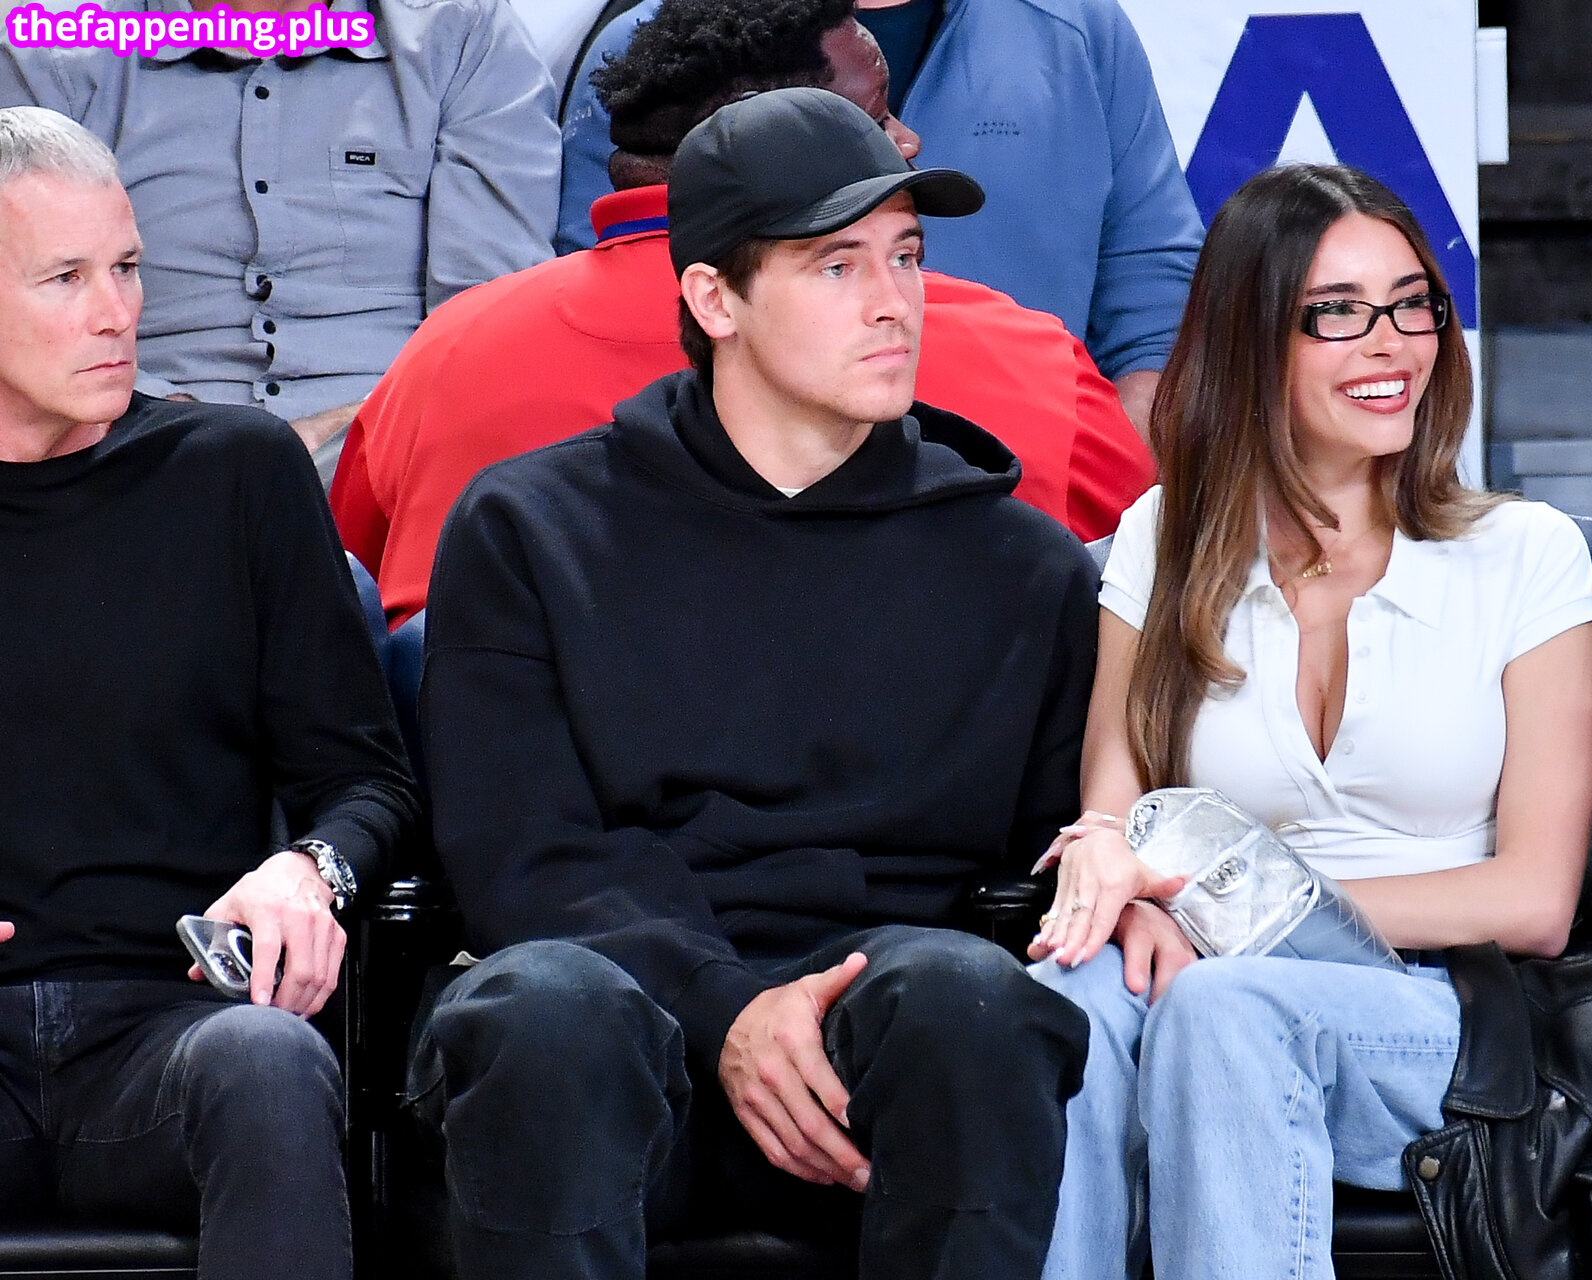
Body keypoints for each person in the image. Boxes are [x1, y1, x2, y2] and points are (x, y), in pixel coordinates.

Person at [406, 87, 1095, 1280]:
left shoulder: (1022, 568)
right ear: (713, 298)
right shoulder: (530, 529)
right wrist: (726, 1007)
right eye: (837, 266)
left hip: (889, 1050)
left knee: (968, 998)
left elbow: (1042, 868)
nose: (895, 303)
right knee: (545, 1008)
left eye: (907, 256)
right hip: (616, 1013)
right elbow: (523, 859)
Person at [1025, 163, 1592, 1280]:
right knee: (1067, 997)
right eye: (1338, 312)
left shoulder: (1527, 554)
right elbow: (1114, 812)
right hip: (1201, 975)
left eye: (1411, 304)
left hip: (1441, 1002)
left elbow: (1536, 900)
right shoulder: (1162, 536)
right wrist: (1119, 887)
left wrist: (1224, 919)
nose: (1391, 344)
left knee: (1227, 1006)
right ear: (1251, 341)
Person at [330, 0, 1154, 625]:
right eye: (871, 124)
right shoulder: (1029, 359)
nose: (907, 142)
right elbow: (1141, 590)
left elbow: (350, 584)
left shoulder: (445, 354)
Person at [0, 107, 416, 1279]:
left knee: (268, 1063)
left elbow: (367, 781)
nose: (118, 311)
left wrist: (311, 867)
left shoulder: (235, 472)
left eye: (127, 266)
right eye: (66, 278)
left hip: (170, 1023)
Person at [557, 0, 1203, 432]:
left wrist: (1106, 484)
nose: (907, 142)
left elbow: (1153, 291)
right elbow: (618, 286)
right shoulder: (655, 42)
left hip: (1033, 472)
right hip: (715, 492)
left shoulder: (1079, 25)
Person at [0, 0, 561, 482]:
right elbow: (24, 318)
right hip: (130, 448)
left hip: (397, 454)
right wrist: (204, 440)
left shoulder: (460, 33)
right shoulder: (55, 46)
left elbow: (489, 327)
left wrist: (356, 436)